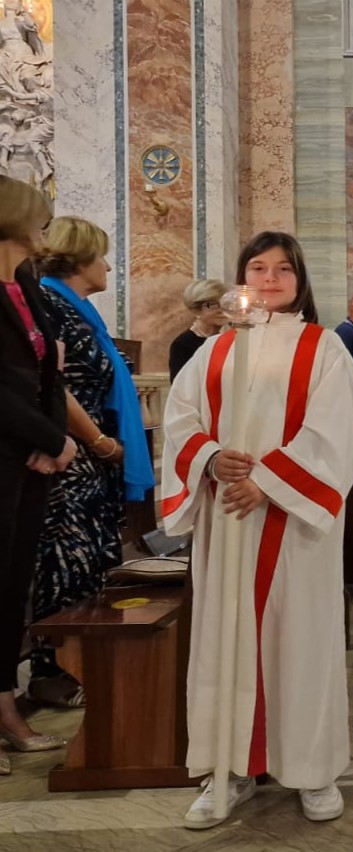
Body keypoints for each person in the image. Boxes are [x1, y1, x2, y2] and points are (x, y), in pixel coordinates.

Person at [162, 231, 353, 829]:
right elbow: (180, 418)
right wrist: (209, 458)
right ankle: (228, 769)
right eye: (258, 268)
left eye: (282, 269)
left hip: (294, 524)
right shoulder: (215, 349)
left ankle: (312, 769)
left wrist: (269, 482)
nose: (270, 278)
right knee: (225, 640)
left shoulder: (323, 348)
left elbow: (337, 429)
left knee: (301, 642)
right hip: (228, 519)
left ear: (300, 280)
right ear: (242, 278)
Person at [29, 216, 154, 708]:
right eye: (100, 256)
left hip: (91, 461)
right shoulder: (49, 303)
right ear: (79, 259)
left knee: (92, 563)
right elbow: (52, 385)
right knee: (65, 562)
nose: (107, 266)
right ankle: (54, 671)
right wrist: (100, 442)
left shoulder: (78, 310)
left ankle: (87, 663)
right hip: (71, 456)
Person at [0, 176, 75, 776]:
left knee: (11, 587)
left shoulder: (26, 281)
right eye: (39, 216)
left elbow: (50, 368)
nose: (46, 226)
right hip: (9, 447)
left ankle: (5, 709)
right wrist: (51, 439)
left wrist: (53, 441)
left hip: (30, 457)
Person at [168, 278, 230, 380]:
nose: (221, 310)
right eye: (212, 304)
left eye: (224, 303)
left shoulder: (227, 340)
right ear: (195, 310)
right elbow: (180, 384)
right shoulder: (182, 344)